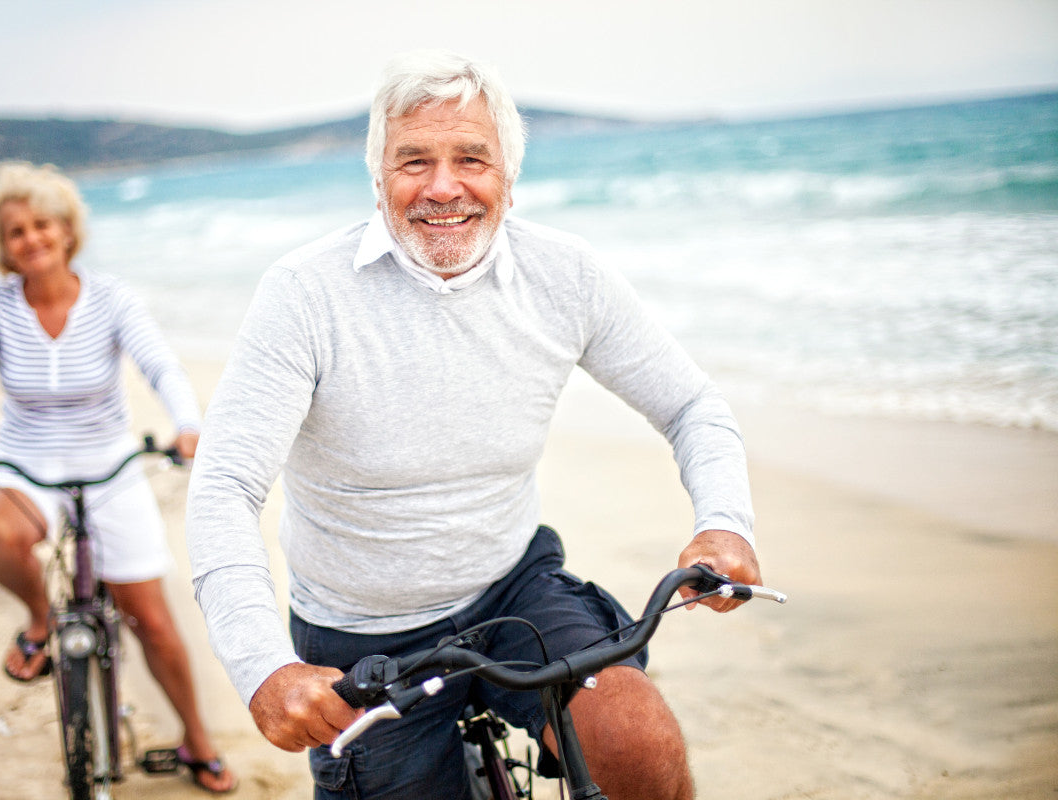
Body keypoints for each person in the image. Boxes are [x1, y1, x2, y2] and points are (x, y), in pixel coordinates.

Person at [187, 50, 759, 800]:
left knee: (636, 738)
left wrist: (726, 523)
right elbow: (225, 485)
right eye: (413, 161)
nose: (444, 186)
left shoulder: (567, 275)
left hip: (513, 588)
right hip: (361, 633)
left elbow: (692, 406)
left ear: (509, 178)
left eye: (471, 158)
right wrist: (264, 667)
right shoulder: (303, 296)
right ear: (379, 178)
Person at [0, 161, 236, 794]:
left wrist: (187, 424)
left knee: (151, 622)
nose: (31, 239)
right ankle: (42, 622)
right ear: (3, 246)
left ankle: (197, 740)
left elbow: (160, 365)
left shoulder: (112, 298)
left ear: (67, 231)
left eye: (42, 225)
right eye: (16, 231)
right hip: (29, 463)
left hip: (110, 466)